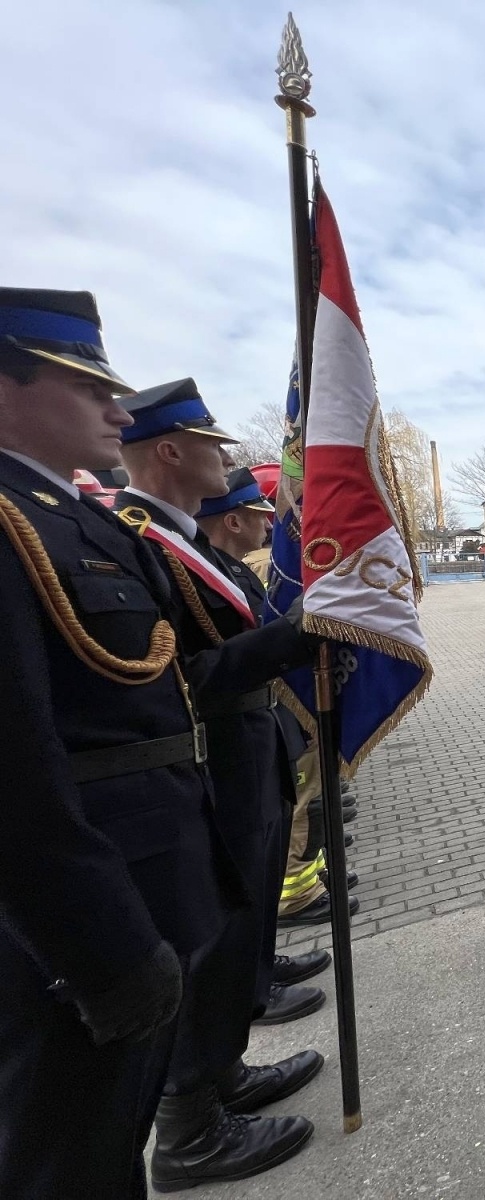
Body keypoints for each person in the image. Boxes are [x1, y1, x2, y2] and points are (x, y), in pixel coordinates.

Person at [0, 289, 245, 1197]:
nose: (116, 407)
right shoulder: (13, 523)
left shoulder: (79, 520)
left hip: (146, 868)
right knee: (65, 1157)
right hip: (81, 912)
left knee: (109, 1149)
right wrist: (98, 944)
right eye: (86, 384)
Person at [114, 384, 324, 1188]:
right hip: (209, 768)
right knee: (208, 946)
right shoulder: (141, 539)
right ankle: (190, 1130)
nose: (226, 458)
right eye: (212, 444)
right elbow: (178, 675)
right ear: (169, 451)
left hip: (244, 757)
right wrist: (297, 637)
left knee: (236, 935)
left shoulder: (181, 542)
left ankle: (223, 1076)